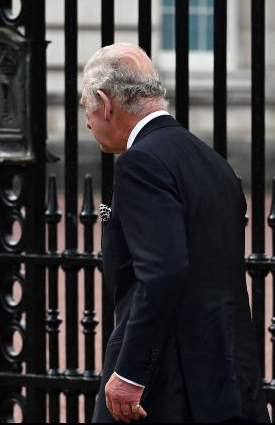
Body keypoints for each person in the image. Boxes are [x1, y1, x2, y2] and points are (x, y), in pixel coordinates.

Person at [82, 43, 270, 423]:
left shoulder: (140, 163)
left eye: (85, 106)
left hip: (166, 377)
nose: (87, 121)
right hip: (224, 369)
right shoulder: (212, 161)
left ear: (104, 102)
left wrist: (132, 371)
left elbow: (163, 272)